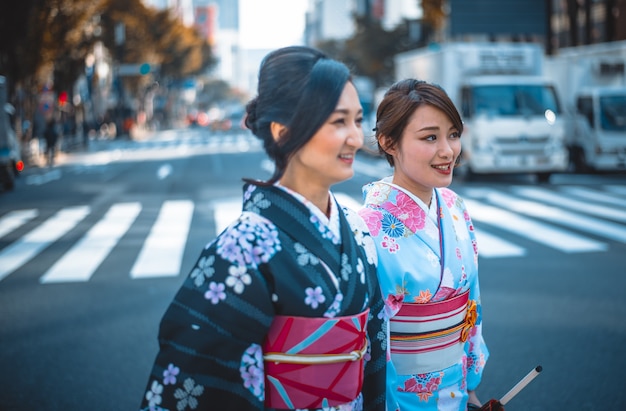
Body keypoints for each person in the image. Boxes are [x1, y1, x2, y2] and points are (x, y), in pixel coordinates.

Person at [139, 46, 387, 411]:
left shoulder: (359, 232)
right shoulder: (242, 248)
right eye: (338, 122)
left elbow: (375, 355)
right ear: (284, 132)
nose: (354, 137)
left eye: (357, 120)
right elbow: (204, 379)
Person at [358, 79, 490, 411]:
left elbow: (471, 301)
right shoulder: (367, 227)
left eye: (453, 134)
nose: (447, 151)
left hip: (456, 388)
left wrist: (471, 383)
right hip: (396, 396)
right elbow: (367, 339)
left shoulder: (455, 207)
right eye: (430, 137)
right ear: (389, 142)